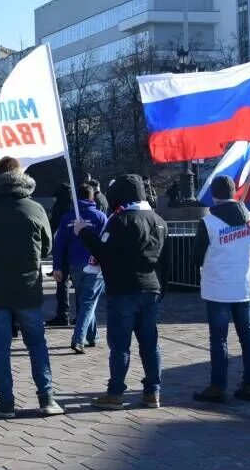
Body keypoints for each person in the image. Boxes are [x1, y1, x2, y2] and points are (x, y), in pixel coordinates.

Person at [0, 157, 61, 418]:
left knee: (0, 347)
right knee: (37, 344)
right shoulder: (35, 209)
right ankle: (47, 397)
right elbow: (47, 247)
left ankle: (6, 402)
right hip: (27, 288)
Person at [76, 174, 169, 410]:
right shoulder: (159, 220)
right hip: (151, 288)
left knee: (120, 344)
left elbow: (104, 252)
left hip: (123, 289)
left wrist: (84, 233)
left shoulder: (121, 220)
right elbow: (164, 261)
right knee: (150, 343)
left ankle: (116, 392)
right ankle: (152, 392)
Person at [191, 176, 250, 404]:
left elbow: (196, 258)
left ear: (214, 195)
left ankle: (217, 386)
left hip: (218, 288)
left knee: (219, 339)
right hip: (245, 286)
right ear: (234, 192)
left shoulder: (209, 223)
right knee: (248, 337)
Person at [52, 183, 108, 354]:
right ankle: (78, 339)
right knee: (88, 302)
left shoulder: (67, 217)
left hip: (74, 265)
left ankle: (92, 336)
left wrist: (58, 267)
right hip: (94, 264)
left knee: (85, 301)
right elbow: (106, 241)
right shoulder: (100, 217)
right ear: (92, 197)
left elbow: (59, 243)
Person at [46, 183, 74, 327]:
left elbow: (52, 226)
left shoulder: (58, 207)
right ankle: (81, 316)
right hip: (76, 249)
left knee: (62, 283)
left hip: (62, 248)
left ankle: (63, 314)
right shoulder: (74, 206)